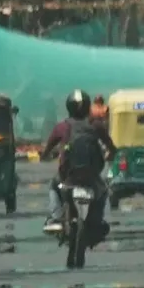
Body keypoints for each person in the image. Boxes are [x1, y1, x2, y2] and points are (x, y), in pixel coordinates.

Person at [42, 90, 116, 233]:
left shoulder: (62, 127)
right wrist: (111, 155)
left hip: (68, 176)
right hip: (92, 176)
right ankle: (98, 220)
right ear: (88, 106)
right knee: (103, 192)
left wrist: (45, 156)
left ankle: (56, 217)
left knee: (53, 186)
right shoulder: (96, 126)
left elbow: (47, 149)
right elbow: (111, 147)